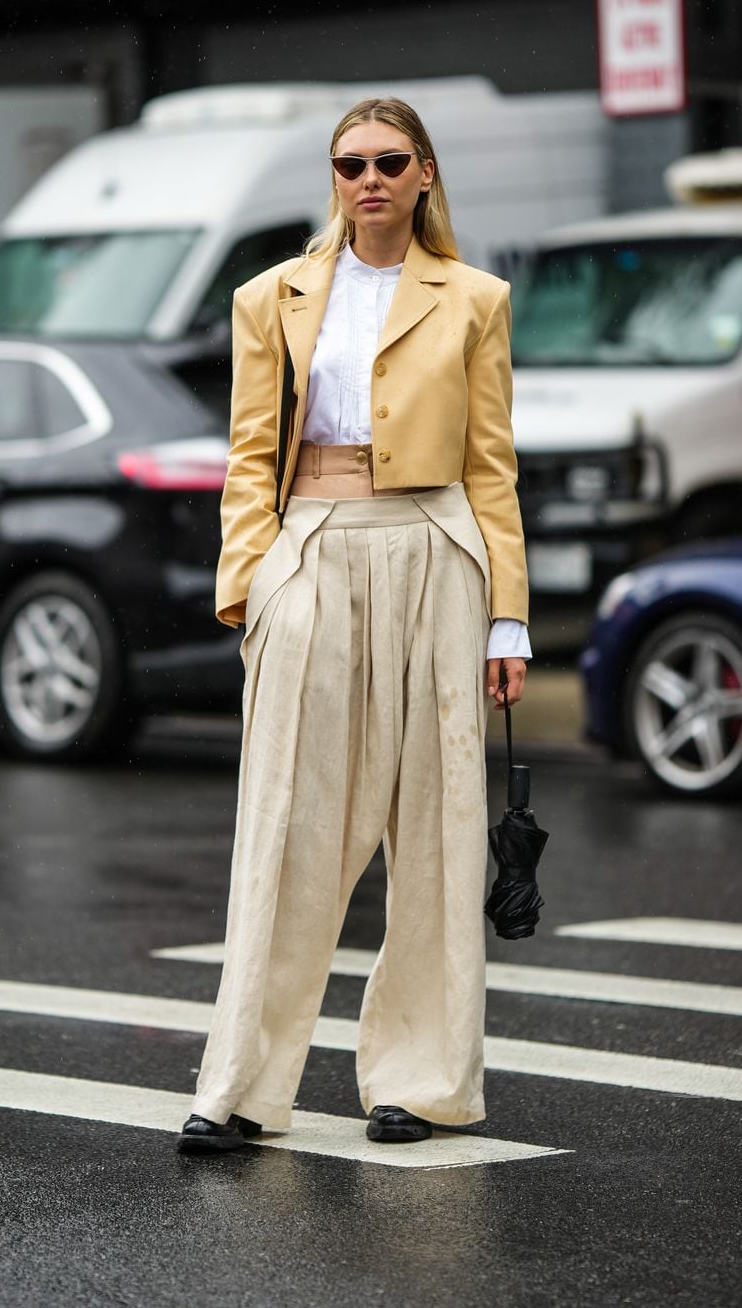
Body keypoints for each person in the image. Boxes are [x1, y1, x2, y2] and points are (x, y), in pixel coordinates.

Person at [177, 96, 529, 1153]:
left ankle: (418, 1085)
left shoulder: (473, 299)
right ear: (331, 179)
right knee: (285, 824)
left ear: (423, 174)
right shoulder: (269, 299)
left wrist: (506, 619)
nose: (366, 180)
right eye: (347, 164)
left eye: (386, 161)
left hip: (435, 544)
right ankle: (239, 1086)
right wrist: (251, 585)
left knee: (432, 828)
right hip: (313, 548)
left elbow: (492, 470)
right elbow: (248, 457)